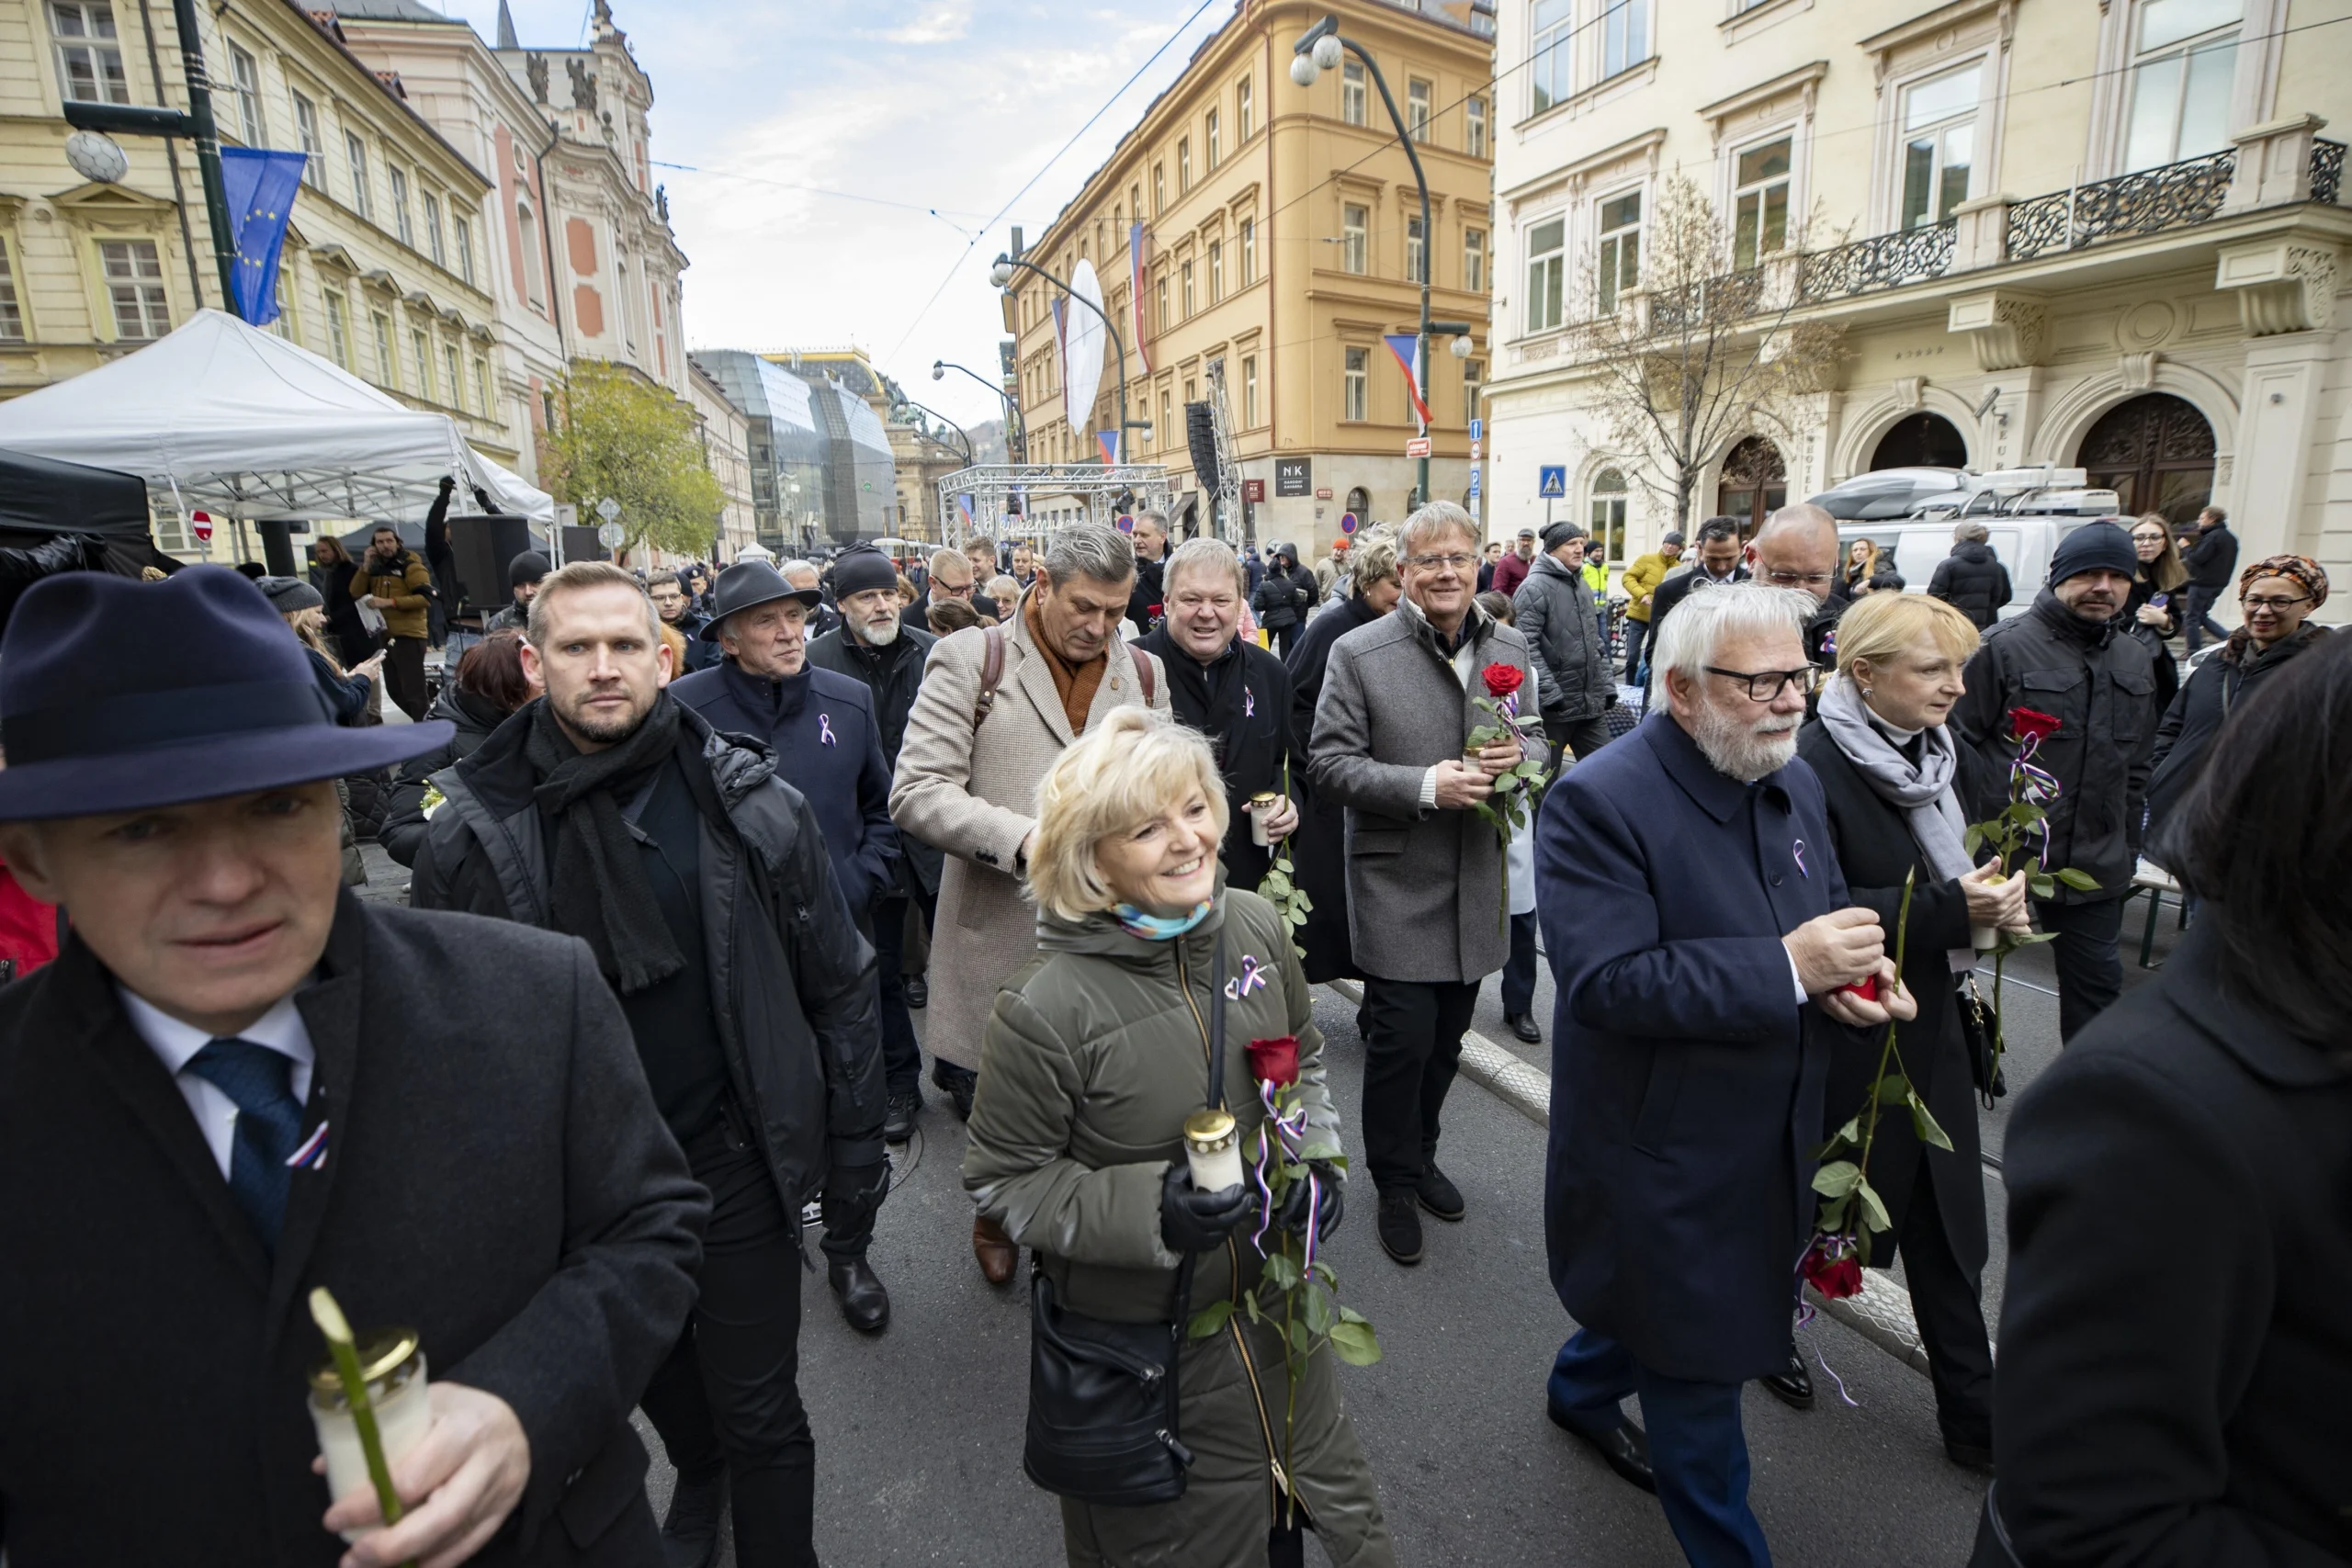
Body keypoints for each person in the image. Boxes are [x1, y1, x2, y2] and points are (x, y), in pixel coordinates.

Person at [0, 565, 704, 1566]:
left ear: (337, 808)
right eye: (144, 828)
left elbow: (650, 1226)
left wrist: (523, 1405)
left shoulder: (530, 995)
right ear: (33, 860)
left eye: (276, 808)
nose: (228, 881)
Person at [409, 561, 887, 1568]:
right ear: (534, 666)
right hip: (579, 1187)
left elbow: (839, 980)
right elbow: (441, 1047)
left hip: (731, 1155)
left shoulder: (747, 802)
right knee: (664, 1382)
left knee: (765, 1410)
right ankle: (699, 1468)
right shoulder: (473, 836)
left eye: (626, 645)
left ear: (666, 657)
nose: (605, 667)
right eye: (577, 648)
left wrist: (852, 1151)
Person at [961, 705, 1395, 1568]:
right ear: (1089, 856)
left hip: (1277, 1326)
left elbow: (1301, 1055)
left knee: (1296, 1536)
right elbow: (1009, 1180)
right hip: (1145, 1364)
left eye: (1195, 808)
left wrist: (1309, 1153)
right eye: (1147, 826)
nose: (1187, 839)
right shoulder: (1043, 1008)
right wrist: (1151, 1212)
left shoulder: (1257, 925)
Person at [1537, 582, 1912, 1568]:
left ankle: (1577, 1392)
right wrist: (1792, 968)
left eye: (1801, 673)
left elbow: (1823, 919)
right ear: (1682, 689)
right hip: (1662, 1151)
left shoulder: (1790, 776)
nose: (1792, 700)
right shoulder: (1596, 799)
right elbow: (1606, 983)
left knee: (1664, 1316)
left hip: (1772, 1127)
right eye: (1762, 682)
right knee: (1698, 1381)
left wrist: (1859, 981)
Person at [1973, 633, 2352, 1568]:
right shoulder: (2154, 1108)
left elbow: (2134, 750)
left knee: (2090, 980)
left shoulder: (2138, 655)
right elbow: (2095, 1523)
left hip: (2098, 856)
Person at [890, 524, 1170, 1282]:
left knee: (1097, 1101)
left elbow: (1165, 785)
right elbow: (916, 793)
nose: (1100, 627)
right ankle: (996, 1212)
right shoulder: (966, 659)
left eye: (1116, 612)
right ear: (1042, 584)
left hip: (1115, 937)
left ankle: (1073, 1224)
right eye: (1085, 607)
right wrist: (1028, 842)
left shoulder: (1142, 672)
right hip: (1002, 929)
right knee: (1003, 1105)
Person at [1796, 591, 2030, 1472]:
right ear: (1864, 673)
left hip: (1932, 1033)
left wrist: (2000, 901)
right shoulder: (1810, 761)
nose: (1956, 687)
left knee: (1946, 1227)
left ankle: (1976, 1419)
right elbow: (1804, 907)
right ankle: (1754, 1338)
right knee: (1808, 1212)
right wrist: (1949, 907)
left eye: (1959, 667)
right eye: (1932, 668)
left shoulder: (1946, 754)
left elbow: (1966, 871)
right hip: (1847, 1036)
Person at [672, 558, 900, 1337]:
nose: (787, 632)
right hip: (741, 959)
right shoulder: (682, 710)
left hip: (844, 945)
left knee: (855, 1099)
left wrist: (858, 885)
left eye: (796, 617)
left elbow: (882, 808)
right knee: (755, 1104)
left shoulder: (849, 697)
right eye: (766, 621)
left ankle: (849, 1249)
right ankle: (758, 1243)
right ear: (727, 639)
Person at [1310, 502, 1542, 1269]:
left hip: (1476, 878)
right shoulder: (1359, 650)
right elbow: (1330, 764)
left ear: (1479, 561)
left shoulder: (1508, 642)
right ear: (1403, 572)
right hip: (1395, 881)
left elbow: (1534, 734)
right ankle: (1394, 1182)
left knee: (1448, 1040)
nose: (1447, 571)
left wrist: (1522, 755)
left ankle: (1426, 1151)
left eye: (1460, 556)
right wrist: (1422, 785)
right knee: (1401, 1043)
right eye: (1429, 559)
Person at [1952, 521, 2155, 1042]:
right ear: (2059, 575)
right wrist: (1964, 853)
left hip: (2095, 864)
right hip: (2005, 857)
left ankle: (2089, 1109)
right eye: (2089, 573)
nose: (2104, 587)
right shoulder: (2000, 648)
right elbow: (1955, 752)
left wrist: (2127, 848)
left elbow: (2136, 767)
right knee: (1954, 973)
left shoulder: (2136, 658)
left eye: (2119, 576)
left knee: (2099, 993)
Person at [808, 545, 943, 1141]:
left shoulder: (931, 653)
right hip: (870, 836)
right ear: (841, 605)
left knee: (959, 962)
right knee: (882, 970)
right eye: (867, 595)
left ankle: (962, 1069)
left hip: (940, 836)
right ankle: (898, 1083)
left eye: (889, 592)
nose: (883, 604)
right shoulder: (817, 662)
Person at [1138, 537, 1302, 889]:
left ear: (1240, 605)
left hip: (1249, 880)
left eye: (1221, 600)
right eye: (1192, 599)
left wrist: (1289, 805)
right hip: (1154, 885)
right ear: (1167, 602)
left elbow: (1291, 765)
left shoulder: (1272, 674)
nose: (1207, 612)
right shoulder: (1128, 670)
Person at [2145, 555, 2329, 859]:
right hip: (2184, 831)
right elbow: (2172, 728)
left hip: (2265, 847)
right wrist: (2159, 779)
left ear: (2308, 605)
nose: (2263, 611)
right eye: (2253, 600)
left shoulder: (2323, 672)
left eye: (2280, 602)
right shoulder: (2215, 664)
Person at [1283, 530, 1402, 986]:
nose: (1403, 594)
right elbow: (1293, 700)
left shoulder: (1400, 628)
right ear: (1368, 582)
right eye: (1394, 584)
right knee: (1340, 897)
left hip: (1386, 784)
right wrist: (1337, 743)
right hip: (1337, 789)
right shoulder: (1332, 630)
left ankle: (1381, 999)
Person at [379, 632, 536, 867]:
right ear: (507, 683)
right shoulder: (438, 739)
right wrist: (479, 842)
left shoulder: (544, 722)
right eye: (534, 671)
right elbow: (400, 833)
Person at [1476, 592, 1547, 1047]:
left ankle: (1518, 1002)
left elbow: (1538, 735)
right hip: (1464, 799)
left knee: (1520, 906)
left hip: (1514, 802)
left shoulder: (1527, 674)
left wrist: (1523, 757)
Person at [1514, 520, 1614, 769]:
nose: (1580, 548)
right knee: (1542, 789)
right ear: (1553, 549)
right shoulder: (1533, 587)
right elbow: (1524, 645)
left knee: (1607, 776)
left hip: (1590, 708)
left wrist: (1607, 685)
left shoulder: (1581, 584)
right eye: (1572, 544)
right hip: (1554, 711)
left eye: (1581, 543)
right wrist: (1550, 695)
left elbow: (1595, 642)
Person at [263, 575, 383, 726]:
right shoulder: (303, 655)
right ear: (298, 613)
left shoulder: (269, 649)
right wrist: (363, 678)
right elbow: (344, 706)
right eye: (317, 612)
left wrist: (346, 680)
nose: (324, 619)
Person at [348, 525, 434, 720]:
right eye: (380, 541)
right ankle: (427, 723)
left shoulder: (411, 564)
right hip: (386, 634)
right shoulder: (374, 567)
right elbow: (355, 592)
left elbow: (425, 598)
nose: (385, 545)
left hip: (409, 634)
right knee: (395, 691)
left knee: (414, 691)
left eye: (389, 540)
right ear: (374, 545)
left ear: (397, 542)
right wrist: (366, 566)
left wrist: (389, 602)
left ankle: (428, 730)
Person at [1642, 518, 1747, 659]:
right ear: (1699, 549)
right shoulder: (1670, 592)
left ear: (1742, 548)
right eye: (1713, 559)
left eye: (1729, 558)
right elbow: (1655, 653)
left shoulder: (1757, 589)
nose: (1722, 567)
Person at [2125, 513, 2188, 715]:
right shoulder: (2122, 575)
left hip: (2155, 663)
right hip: (2126, 664)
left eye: (2154, 537)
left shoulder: (2163, 576)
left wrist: (2163, 621)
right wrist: (2140, 619)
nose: (2146, 543)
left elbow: (2176, 622)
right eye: (2139, 538)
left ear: (2164, 543)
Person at [1619, 530, 1685, 680]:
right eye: (1667, 543)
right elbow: (1627, 578)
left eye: (1674, 544)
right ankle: (1629, 686)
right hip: (1639, 615)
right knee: (1632, 657)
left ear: (1680, 548)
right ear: (1663, 544)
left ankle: (1646, 688)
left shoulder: (1679, 568)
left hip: (1661, 620)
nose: (1669, 547)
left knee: (1653, 659)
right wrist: (1641, 594)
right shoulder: (1647, 559)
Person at [1928, 521, 2014, 630]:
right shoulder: (1997, 566)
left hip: (1956, 626)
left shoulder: (1949, 565)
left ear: (1958, 538)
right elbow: (2005, 596)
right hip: (1987, 627)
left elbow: (1934, 598)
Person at [309, 534, 375, 668]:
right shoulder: (330, 572)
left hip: (355, 633)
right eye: (319, 552)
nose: (321, 555)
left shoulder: (351, 570)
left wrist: (330, 617)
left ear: (336, 550)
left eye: (324, 551)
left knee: (362, 670)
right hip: (336, 632)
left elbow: (358, 601)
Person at [2180, 504, 2237, 655]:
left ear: (2212, 519)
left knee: (2192, 617)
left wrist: (2186, 547)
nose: (2198, 521)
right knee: (2201, 615)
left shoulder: (2212, 537)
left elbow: (2197, 558)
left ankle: (2192, 650)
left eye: (2202, 518)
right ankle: (2230, 639)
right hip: (2218, 583)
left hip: (2202, 583)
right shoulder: (2230, 537)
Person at [650, 569, 718, 671]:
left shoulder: (705, 630)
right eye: (660, 598)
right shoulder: (642, 632)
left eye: (674, 596)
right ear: (649, 601)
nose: (668, 603)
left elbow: (715, 672)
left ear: (681, 599)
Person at [924, 546, 996, 623]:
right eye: (957, 589)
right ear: (933, 583)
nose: (965, 597)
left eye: (969, 587)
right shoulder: (910, 621)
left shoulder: (988, 608)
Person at [1125, 510, 1169, 635]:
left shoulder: (1181, 569)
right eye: (1134, 534)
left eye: (1144, 535)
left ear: (1162, 537)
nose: (1137, 540)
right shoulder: (1127, 573)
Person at [779, 558, 842, 642]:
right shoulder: (776, 629)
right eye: (800, 592)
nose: (808, 596)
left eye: (813, 589)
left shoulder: (836, 623)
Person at [1491, 527, 1537, 598]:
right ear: (1517, 541)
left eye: (1529, 540)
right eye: (1522, 540)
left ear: (1533, 542)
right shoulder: (1505, 562)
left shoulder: (1536, 561)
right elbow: (1498, 591)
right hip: (1513, 606)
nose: (1526, 543)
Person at [1835, 538, 1881, 602]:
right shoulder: (1852, 571)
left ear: (1871, 551)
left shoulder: (1879, 564)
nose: (1858, 553)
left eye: (1863, 549)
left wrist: (1870, 581)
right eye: (1855, 550)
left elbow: (1895, 580)